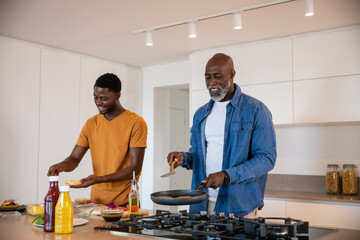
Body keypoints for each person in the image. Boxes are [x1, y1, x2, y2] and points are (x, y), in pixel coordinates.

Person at [167, 53, 276, 217]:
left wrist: (226, 176)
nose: (212, 83)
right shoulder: (201, 114)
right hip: (201, 203)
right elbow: (198, 155)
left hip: (239, 206)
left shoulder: (256, 110)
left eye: (218, 76)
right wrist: (183, 157)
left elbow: (266, 159)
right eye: (207, 77)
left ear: (232, 74)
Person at [48, 73, 147, 206]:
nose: (98, 102)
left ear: (118, 95)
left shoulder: (136, 122)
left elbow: (135, 168)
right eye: (95, 97)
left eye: (104, 98)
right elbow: (74, 159)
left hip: (125, 202)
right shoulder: (91, 124)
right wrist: (62, 166)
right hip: (96, 202)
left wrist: (99, 179)